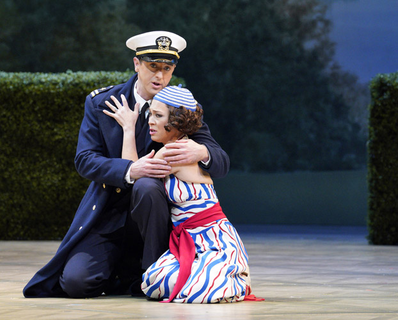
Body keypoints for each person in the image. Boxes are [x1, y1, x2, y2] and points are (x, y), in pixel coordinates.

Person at [23, 31, 230, 298]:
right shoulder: (101, 102)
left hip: (158, 220)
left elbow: (221, 162)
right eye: (153, 67)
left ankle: (154, 272)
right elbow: (85, 160)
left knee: (146, 186)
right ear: (136, 64)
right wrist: (130, 170)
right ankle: (126, 274)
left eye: (167, 69)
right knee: (76, 283)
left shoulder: (181, 107)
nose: (160, 77)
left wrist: (201, 150)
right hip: (109, 214)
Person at [104, 86, 259, 303]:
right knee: (157, 280)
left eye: (158, 116)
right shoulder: (184, 145)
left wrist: (128, 128)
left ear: (177, 121)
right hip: (199, 237)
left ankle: (224, 279)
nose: (150, 120)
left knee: (154, 282)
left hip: (208, 238)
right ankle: (226, 276)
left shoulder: (174, 151)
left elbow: (135, 170)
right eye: (151, 114)